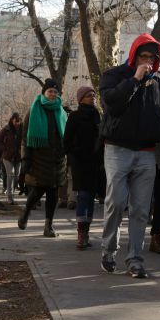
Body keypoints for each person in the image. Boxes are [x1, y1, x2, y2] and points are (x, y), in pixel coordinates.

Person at [99, 33, 160, 278]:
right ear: (134, 55)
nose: (148, 61)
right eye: (143, 56)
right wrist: (135, 80)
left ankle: (135, 259)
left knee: (140, 210)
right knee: (116, 203)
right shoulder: (114, 75)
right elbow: (111, 103)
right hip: (117, 149)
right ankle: (108, 250)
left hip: (146, 153)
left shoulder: (158, 84)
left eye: (152, 57)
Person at [17, 78, 68, 237]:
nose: (53, 94)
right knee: (37, 191)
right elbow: (25, 138)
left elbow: (66, 134)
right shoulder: (34, 110)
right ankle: (26, 212)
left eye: (55, 92)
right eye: (50, 91)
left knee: (53, 193)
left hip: (58, 159)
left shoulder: (61, 111)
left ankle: (48, 226)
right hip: (39, 158)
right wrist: (25, 158)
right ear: (44, 93)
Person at [63, 86, 101, 250]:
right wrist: (73, 155)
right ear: (81, 99)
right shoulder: (75, 116)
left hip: (95, 161)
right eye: (88, 95)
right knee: (83, 195)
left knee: (91, 196)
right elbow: (67, 140)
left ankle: (86, 231)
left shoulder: (97, 115)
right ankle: (81, 232)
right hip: (79, 161)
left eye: (93, 95)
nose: (92, 97)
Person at [0, 113, 23, 204]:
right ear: (12, 120)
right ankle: (10, 198)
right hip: (7, 157)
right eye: (15, 121)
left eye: (18, 121)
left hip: (18, 157)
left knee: (17, 176)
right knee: (10, 174)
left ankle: (12, 195)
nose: (17, 123)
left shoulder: (21, 129)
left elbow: (24, 140)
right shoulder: (6, 129)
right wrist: (5, 149)